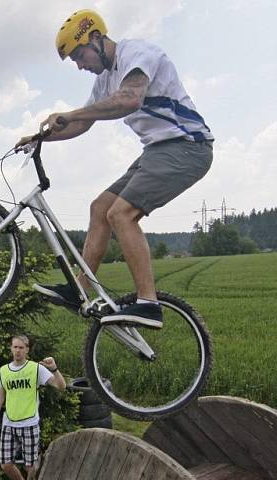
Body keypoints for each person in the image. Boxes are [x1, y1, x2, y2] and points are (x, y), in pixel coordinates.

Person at [21, 9, 214, 329]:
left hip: (187, 147)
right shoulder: (104, 80)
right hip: (157, 151)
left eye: (79, 56)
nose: (81, 66)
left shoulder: (137, 54)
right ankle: (79, 288)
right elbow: (82, 123)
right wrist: (39, 138)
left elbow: (129, 99)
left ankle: (148, 304)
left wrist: (70, 113)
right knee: (100, 208)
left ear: (95, 38)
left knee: (120, 214)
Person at [0, 335, 65, 480]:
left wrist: (54, 369)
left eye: (21, 347)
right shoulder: (4, 370)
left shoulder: (36, 369)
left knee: (30, 466)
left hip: (29, 425)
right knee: (5, 464)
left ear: (27, 349)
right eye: (15, 347)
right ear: (11, 349)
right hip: (9, 424)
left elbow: (61, 386)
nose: (18, 351)